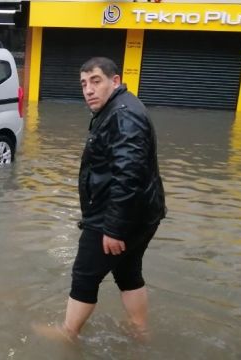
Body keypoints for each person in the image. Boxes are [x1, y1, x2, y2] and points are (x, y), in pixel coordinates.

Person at [35, 57, 166, 342]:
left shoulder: (123, 114)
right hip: (141, 213)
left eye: (96, 81)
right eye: (84, 84)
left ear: (115, 81)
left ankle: (68, 333)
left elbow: (128, 174)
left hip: (116, 215)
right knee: (128, 272)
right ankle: (141, 331)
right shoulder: (121, 107)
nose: (88, 90)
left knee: (84, 274)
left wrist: (114, 228)